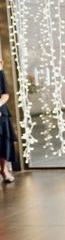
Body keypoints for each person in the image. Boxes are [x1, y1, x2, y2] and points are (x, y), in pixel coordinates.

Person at [0, 56, 16, 184]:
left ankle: (4, 170)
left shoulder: (0, 74)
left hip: (1, 112)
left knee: (3, 141)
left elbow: (5, 95)